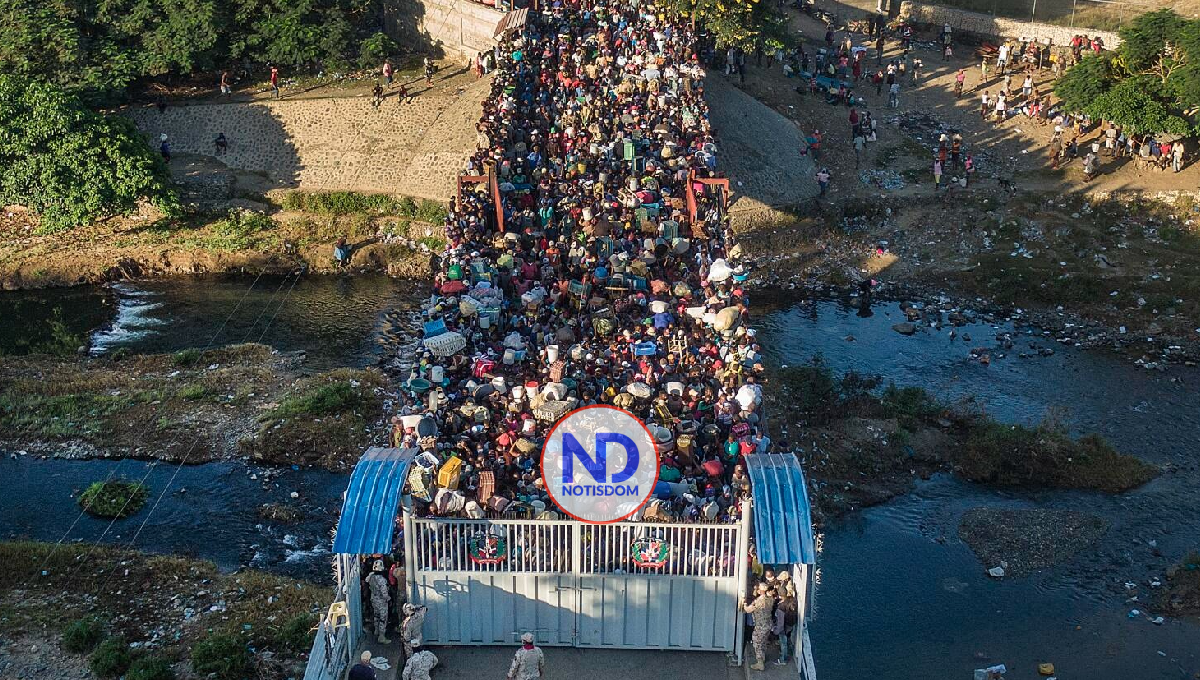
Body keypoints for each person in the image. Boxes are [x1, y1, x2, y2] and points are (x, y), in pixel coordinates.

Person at [744, 582, 775, 671]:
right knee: (764, 642)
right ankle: (763, 657)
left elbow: (748, 610)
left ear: (760, 591)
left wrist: (744, 603)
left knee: (757, 643)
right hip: (768, 625)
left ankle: (760, 663)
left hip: (760, 626)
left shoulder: (758, 601)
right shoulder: (770, 599)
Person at [367, 559, 391, 643]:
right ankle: (382, 637)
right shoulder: (381, 579)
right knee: (383, 618)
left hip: (373, 599)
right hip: (381, 600)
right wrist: (388, 598)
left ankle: (376, 631)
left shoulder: (371, 577)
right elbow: (384, 592)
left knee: (376, 616)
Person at [774, 591, 798, 665]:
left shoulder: (781, 607)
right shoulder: (793, 601)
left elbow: (780, 622)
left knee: (783, 643)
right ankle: (789, 652)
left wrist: (776, 631)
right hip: (790, 625)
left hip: (783, 628)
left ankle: (783, 659)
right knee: (788, 639)